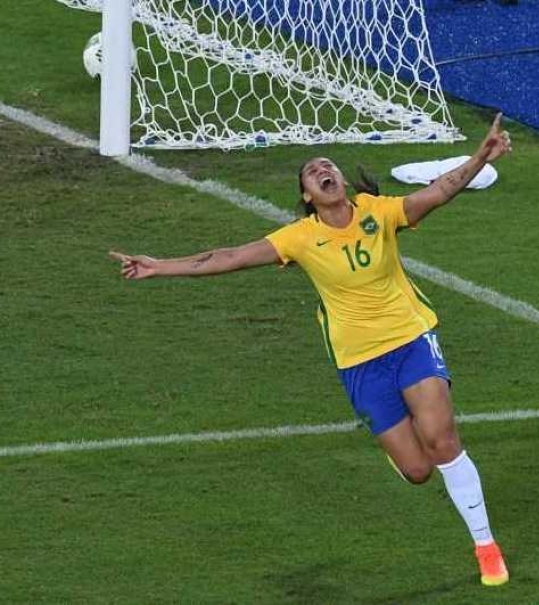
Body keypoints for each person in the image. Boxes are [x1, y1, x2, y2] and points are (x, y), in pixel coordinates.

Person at [110, 113, 512, 587]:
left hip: (410, 339)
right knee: (420, 470)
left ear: (340, 180)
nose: (324, 170)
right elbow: (229, 257)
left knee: (444, 442)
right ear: (308, 195)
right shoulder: (299, 239)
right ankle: (404, 454)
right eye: (313, 171)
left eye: (329, 165)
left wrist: (478, 157)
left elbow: (439, 191)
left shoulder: (378, 212)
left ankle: (486, 548)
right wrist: (161, 267)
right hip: (359, 363)